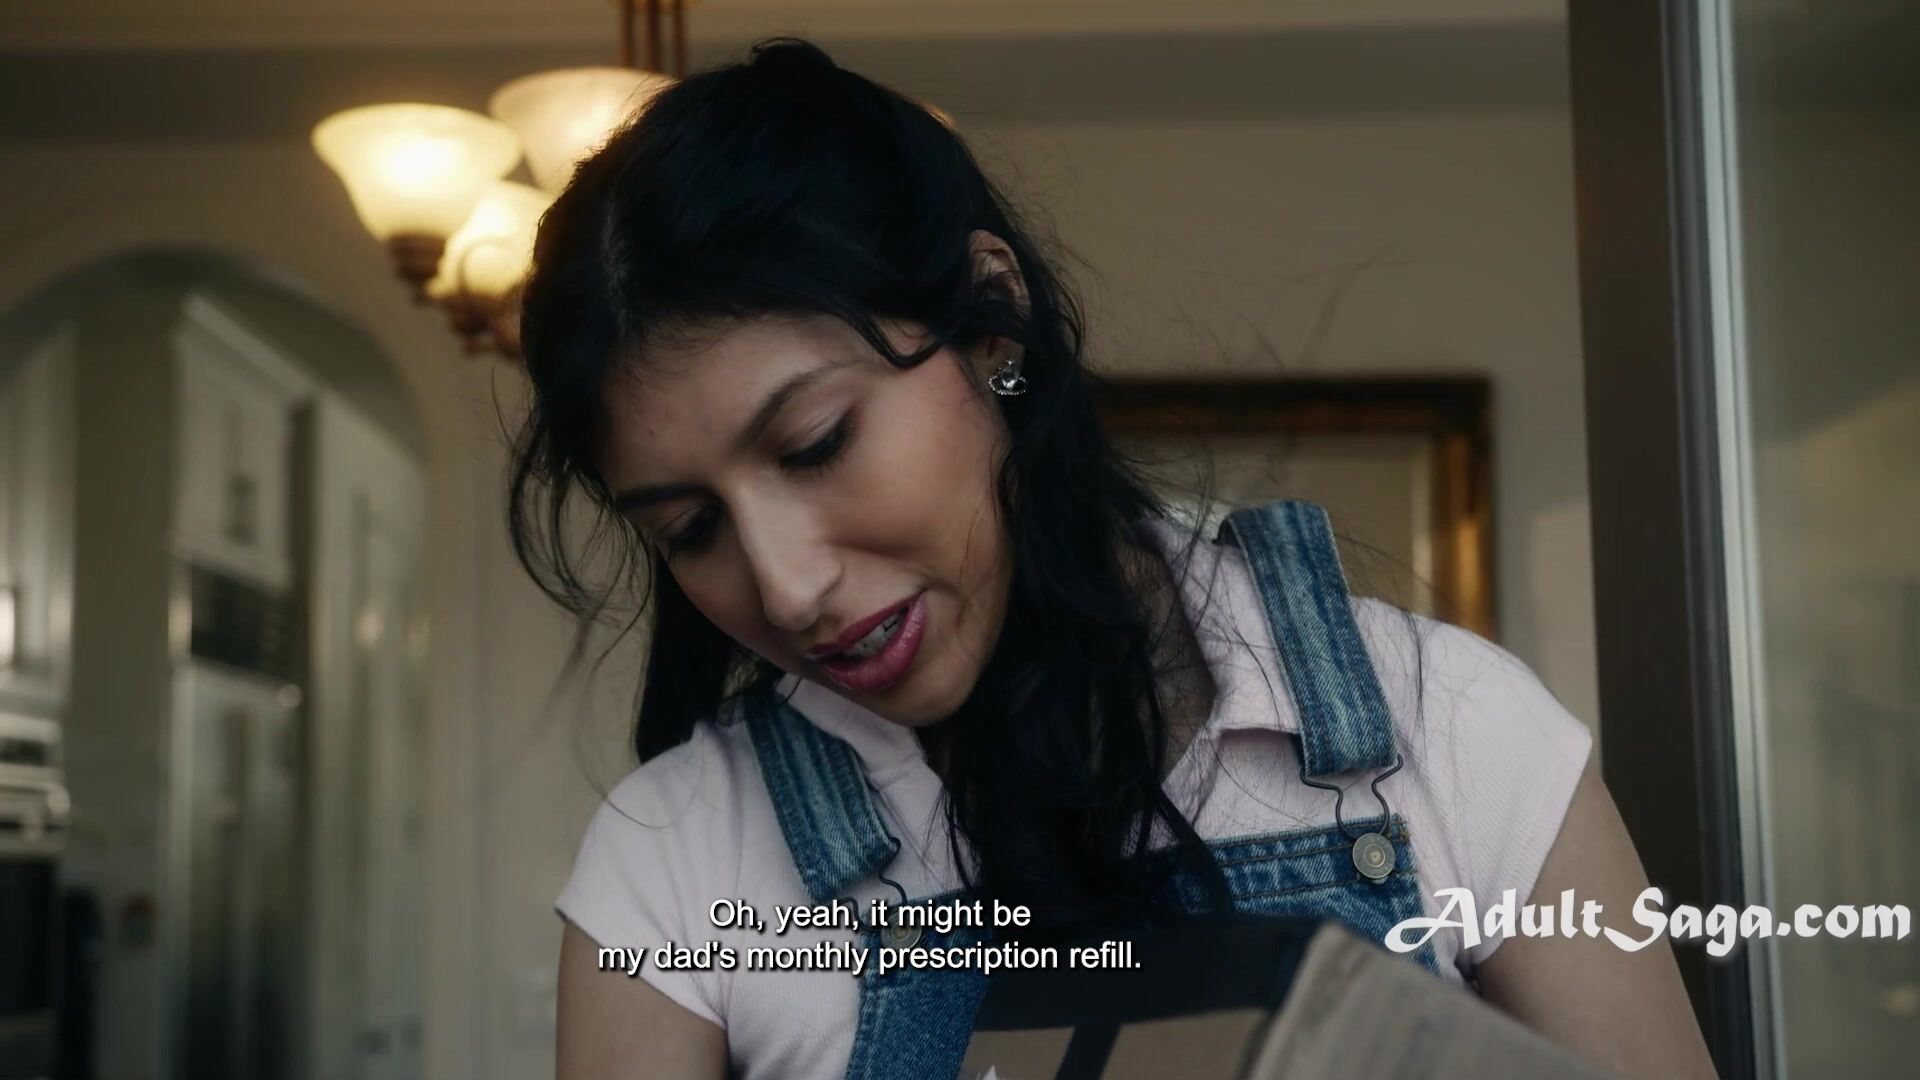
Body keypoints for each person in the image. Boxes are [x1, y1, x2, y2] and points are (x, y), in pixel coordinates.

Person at [510, 37, 1717, 1080]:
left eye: (817, 443)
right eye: (690, 530)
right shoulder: (674, 865)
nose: (786, 586)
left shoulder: (1454, 735)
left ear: (995, 326)